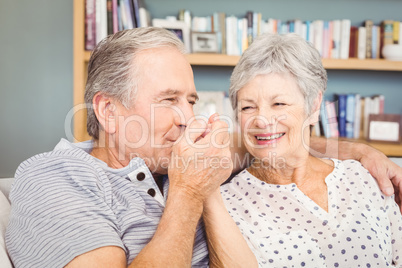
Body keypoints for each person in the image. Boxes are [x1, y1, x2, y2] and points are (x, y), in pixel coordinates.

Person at [4, 27, 402, 267]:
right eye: (168, 99)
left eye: (190, 101)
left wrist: (355, 151)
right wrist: (189, 192)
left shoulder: (167, 156)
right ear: (109, 111)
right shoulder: (56, 178)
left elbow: (266, 138)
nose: (186, 117)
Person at [221, 33, 402, 267]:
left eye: (279, 104)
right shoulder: (228, 203)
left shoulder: (364, 178)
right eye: (248, 107)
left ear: (314, 106)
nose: (262, 120)